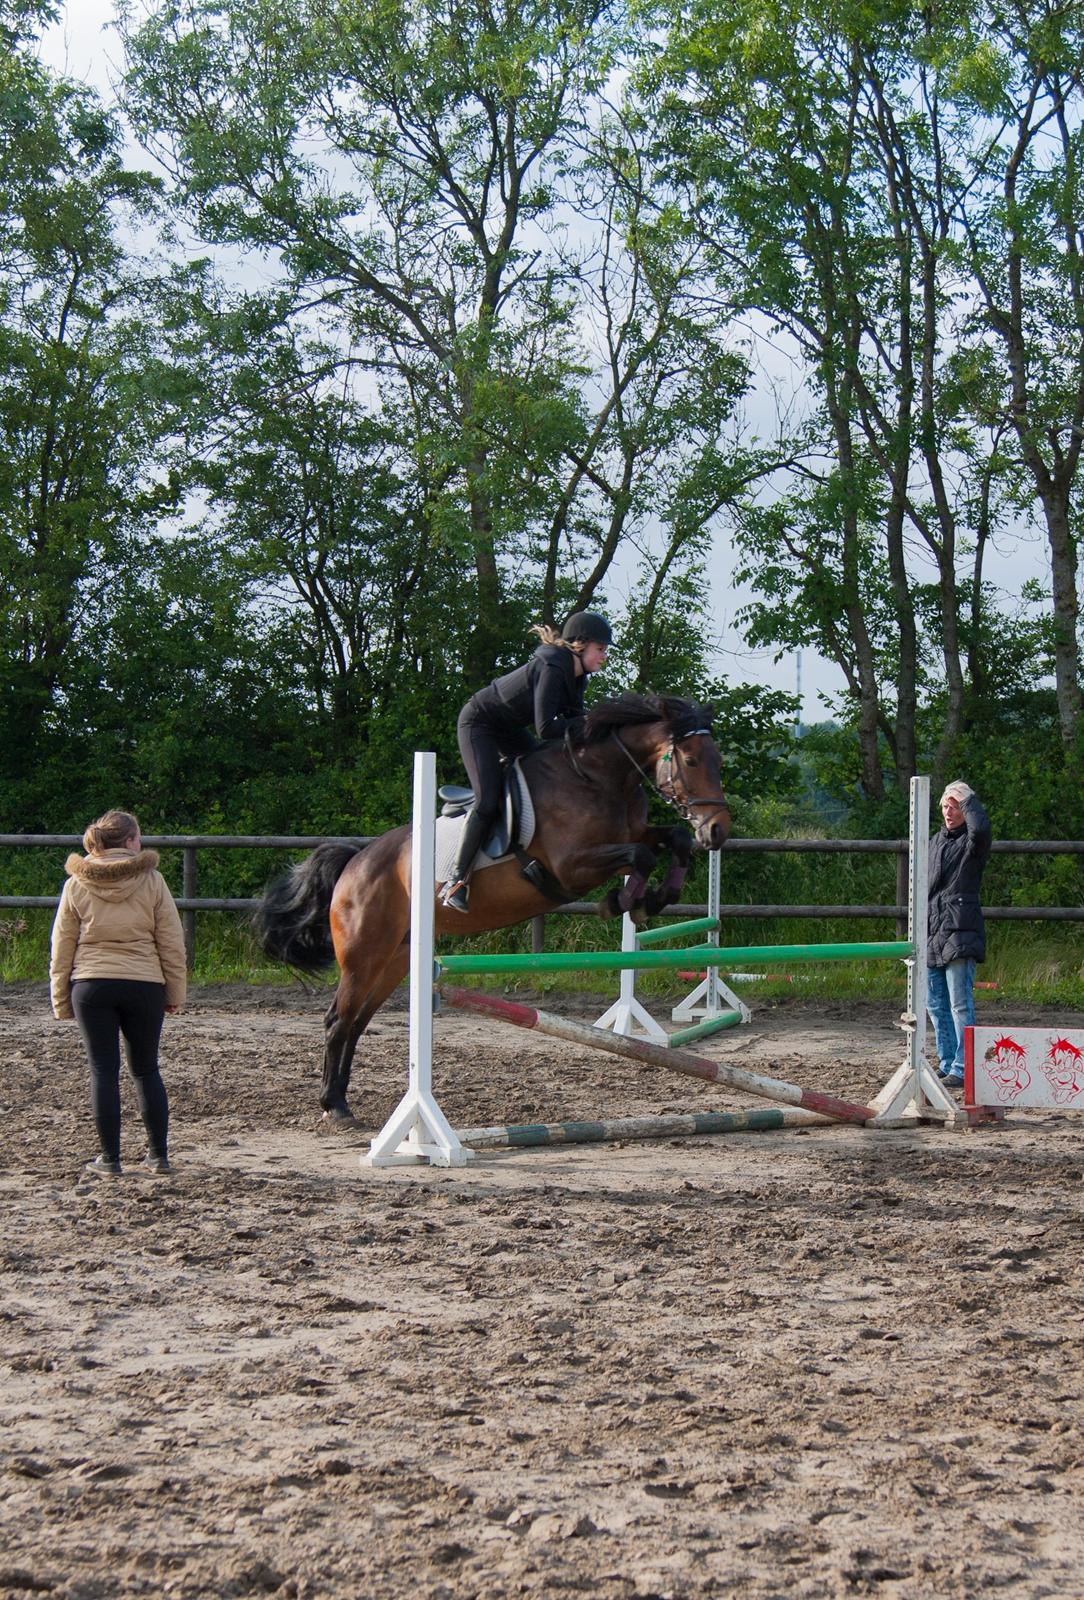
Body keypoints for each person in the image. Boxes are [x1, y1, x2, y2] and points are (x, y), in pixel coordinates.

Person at [439, 611, 612, 912]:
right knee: (487, 799)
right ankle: (456, 881)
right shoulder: (553, 666)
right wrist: (592, 722)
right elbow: (546, 728)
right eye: (601, 649)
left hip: (507, 727)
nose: (604, 657)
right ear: (581, 645)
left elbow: (573, 729)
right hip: (479, 723)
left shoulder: (578, 678)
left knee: (542, 768)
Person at [49, 810, 187, 1177]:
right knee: (146, 1070)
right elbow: (172, 943)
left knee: (103, 1072)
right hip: (144, 984)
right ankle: (158, 1155)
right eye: (138, 837)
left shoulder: (76, 884)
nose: (141, 842)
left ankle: (110, 1160)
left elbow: (62, 946)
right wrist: (174, 991)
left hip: (92, 986)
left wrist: (61, 998)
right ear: (127, 842)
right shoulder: (153, 880)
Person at [927, 780, 992, 1088]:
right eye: (945, 806)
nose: (948, 811)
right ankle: (946, 1061)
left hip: (960, 931)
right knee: (935, 1004)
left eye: (955, 806)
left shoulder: (973, 843)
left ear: (966, 809)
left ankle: (964, 1067)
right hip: (933, 931)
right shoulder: (935, 840)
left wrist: (969, 799)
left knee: (959, 1004)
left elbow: (981, 830)